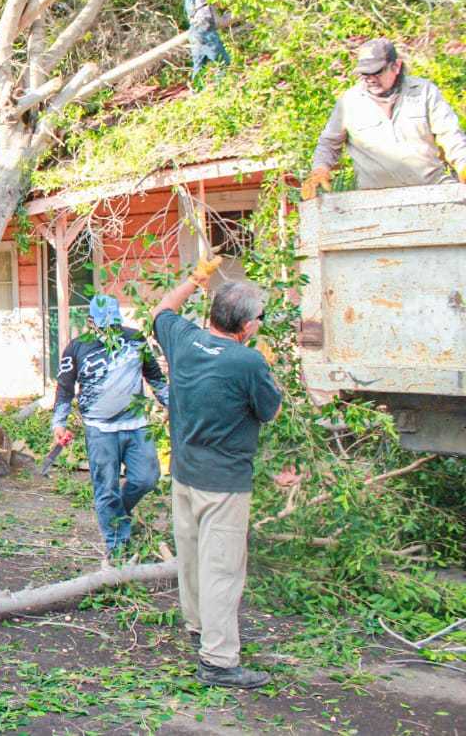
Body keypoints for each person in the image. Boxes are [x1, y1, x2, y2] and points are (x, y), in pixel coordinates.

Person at [151, 260, 283, 689]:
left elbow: (161, 310)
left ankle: (198, 629)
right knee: (222, 570)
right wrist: (267, 369)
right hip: (224, 483)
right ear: (246, 326)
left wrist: (193, 280)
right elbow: (271, 411)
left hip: (185, 474)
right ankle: (219, 662)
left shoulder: (185, 340)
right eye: (259, 319)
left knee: (191, 559)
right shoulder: (248, 362)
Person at [52, 294, 169, 561]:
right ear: (90, 322)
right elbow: (65, 388)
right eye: (103, 326)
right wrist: (59, 423)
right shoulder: (76, 348)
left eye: (113, 325)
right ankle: (116, 547)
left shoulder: (135, 339)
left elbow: (155, 377)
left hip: (137, 425)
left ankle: (118, 516)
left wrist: (172, 405)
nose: (109, 331)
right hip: (99, 430)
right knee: (106, 489)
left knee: (146, 478)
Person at [306, 38, 466, 197]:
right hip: (376, 199)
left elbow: (450, 134)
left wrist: (463, 164)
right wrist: (320, 170)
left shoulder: (424, 92)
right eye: (365, 74)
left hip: (433, 190)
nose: (370, 79)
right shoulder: (349, 102)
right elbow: (329, 143)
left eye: (377, 72)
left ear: (396, 66)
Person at [184, 0, 230, 83]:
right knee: (223, 62)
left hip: (194, 30)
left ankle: (196, 91)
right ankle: (222, 88)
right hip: (205, 28)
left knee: (199, 67)